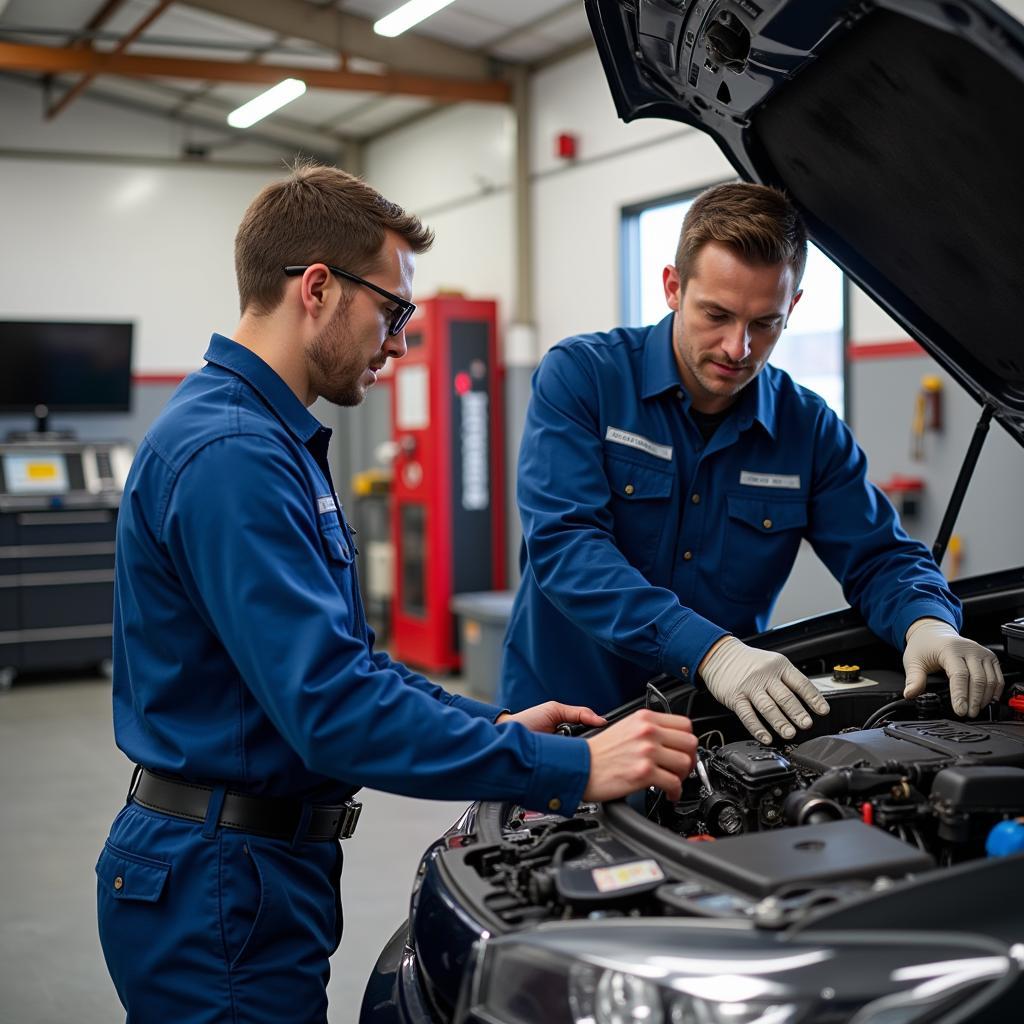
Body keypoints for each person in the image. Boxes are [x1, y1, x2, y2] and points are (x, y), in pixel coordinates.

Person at [96, 163, 698, 1023]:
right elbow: (333, 709)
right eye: (392, 310)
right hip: (217, 882)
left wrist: (492, 725)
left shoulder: (263, 439)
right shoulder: (233, 456)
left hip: (250, 869)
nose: (399, 343)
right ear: (316, 288)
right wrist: (570, 767)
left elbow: (352, 665)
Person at [500, 182, 1003, 743]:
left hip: (708, 733)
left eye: (765, 323)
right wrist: (711, 652)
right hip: (565, 720)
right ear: (672, 287)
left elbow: (880, 556)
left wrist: (925, 621)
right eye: (716, 314)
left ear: (794, 306)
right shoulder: (583, 378)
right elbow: (567, 548)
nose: (738, 347)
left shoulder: (807, 429)